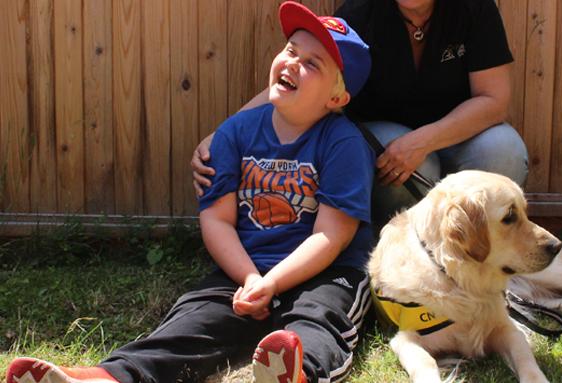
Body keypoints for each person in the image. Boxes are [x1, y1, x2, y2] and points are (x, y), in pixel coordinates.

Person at [5, 3, 374, 383]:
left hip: (325, 272)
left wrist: (273, 283)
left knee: (318, 318)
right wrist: (250, 279)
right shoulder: (235, 132)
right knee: (192, 319)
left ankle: (298, 374)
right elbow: (216, 218)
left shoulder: (344, 144)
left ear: (336, 98)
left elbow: (330, 237)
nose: (293, 63)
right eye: (291, 50)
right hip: (244, 268)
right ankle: (107, 378)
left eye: (313, 64)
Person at [191, 0, 528, 224]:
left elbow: (494, 99)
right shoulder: (360, 11)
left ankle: (481, 250)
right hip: (383, 140)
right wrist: (224, 134)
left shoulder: (475, 7)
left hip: (456, 136)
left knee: (504, 150)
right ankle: (402, 251)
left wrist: (423, 140)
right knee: (403, 157)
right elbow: (301, 80)